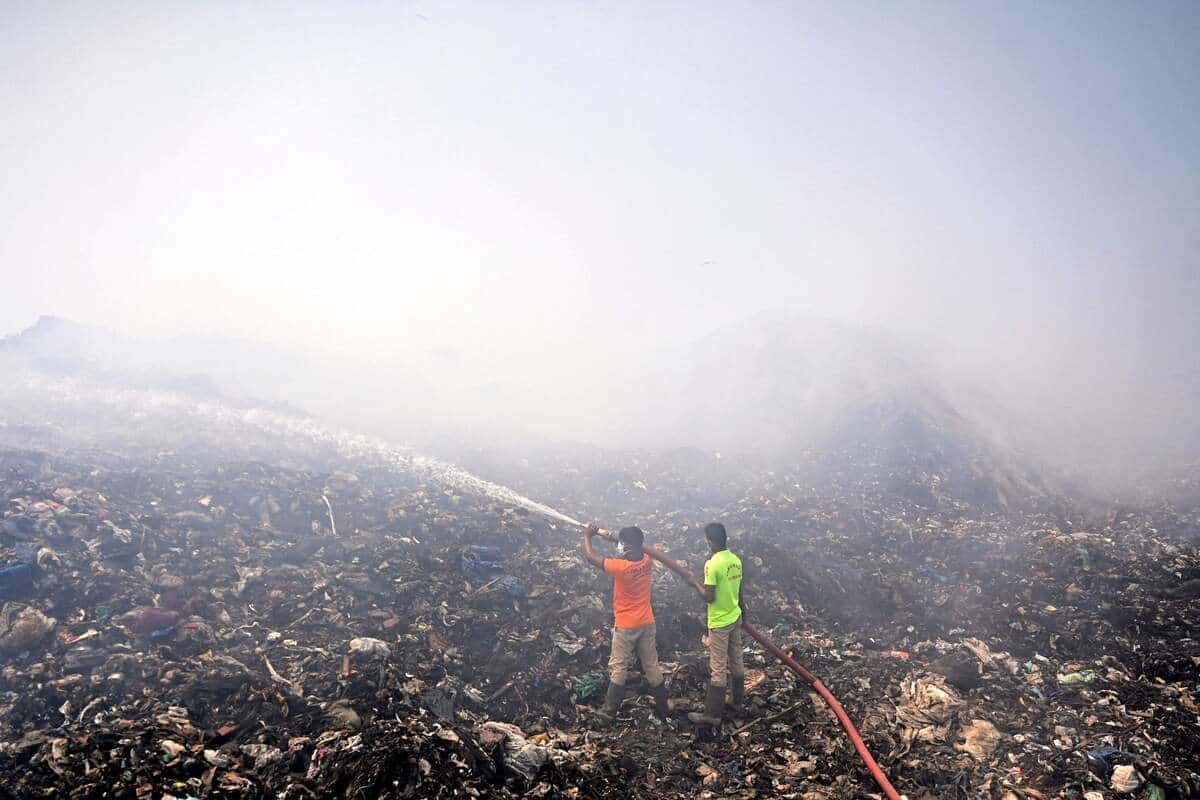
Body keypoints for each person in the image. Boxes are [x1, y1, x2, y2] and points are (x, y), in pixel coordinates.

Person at [583, 523, 669, 720]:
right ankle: (664, 707)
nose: (619, 547)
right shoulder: (647, 561)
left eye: (621, 543)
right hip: (647, 622)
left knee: (619, 666)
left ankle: (608, 712)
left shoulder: (620, 567)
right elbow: (645, 550)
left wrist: (588, 536)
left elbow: (591, 557)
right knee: (651, 665)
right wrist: (612, 536)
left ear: (628, 546)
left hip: (626, 625)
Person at [687, 522, 746, 726]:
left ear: (710, 541)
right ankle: (737, 702)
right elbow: (739, 591)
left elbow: (709, 597)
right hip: (735, 617)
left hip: (720, 622)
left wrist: (694, 582)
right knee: (737, 660)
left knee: (718, 668)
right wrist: (743, 614)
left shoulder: (712, 564)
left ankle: (712, 715)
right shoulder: (735, 561)